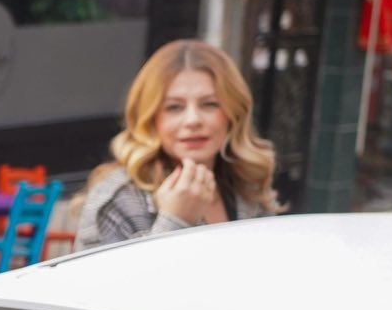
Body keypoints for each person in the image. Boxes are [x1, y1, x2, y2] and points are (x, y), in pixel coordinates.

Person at [77, 39, 279, 248]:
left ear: (233, 113)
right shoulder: (119, 199)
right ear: (151, 118)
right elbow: (114, 281)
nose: (193, 120)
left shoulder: (246, 183)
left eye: (210, 104)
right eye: (174, 107)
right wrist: (175, 221)